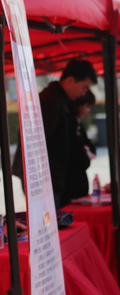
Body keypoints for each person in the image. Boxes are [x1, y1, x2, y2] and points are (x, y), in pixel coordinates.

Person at [12, 59, 97, 208]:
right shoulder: (52, 101)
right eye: (84, 87)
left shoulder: (56, 99)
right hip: (43, 182)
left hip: (48, 181)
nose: (84, 93)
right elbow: (36, 143)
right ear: (70, 80)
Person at [62, 90, 97, 204]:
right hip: (69, 184)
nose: (88, 110)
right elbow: (79, 155)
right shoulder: (69, 123)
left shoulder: (78, 124)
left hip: (78, 181)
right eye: (87, 106)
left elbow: (91, 147)